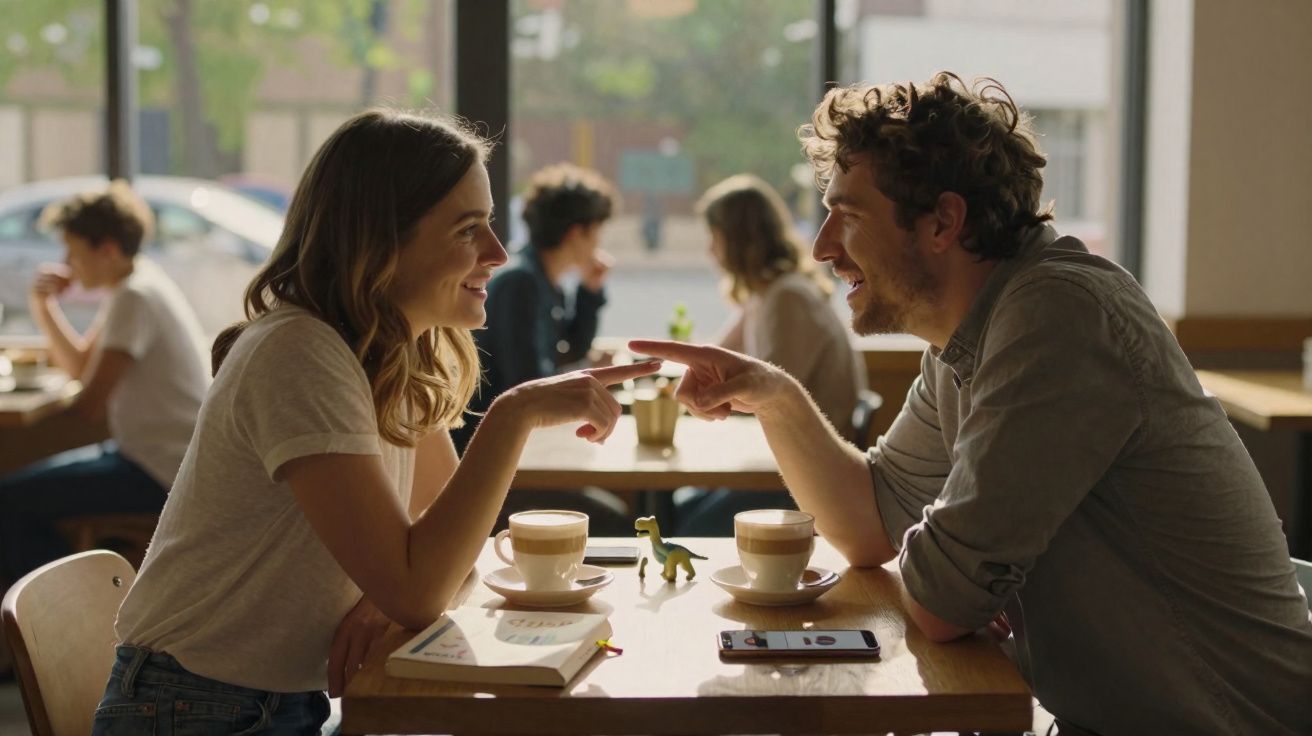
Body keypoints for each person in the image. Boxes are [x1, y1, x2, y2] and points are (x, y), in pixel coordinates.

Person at [632, 73, 1312, 734]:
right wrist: (773, 395)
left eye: (848, 214)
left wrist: (945, 579)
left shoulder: (1058, 316)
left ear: (942, 222)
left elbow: (940, 600)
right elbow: (873, 521)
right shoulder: (967, 338)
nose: (822, 248)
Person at [91, 109, 658, 732]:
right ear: (381, 240)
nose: (497, 254)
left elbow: (447, 555)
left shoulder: (386, 354)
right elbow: (421, 587)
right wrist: (512, 415)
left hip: (274, 702)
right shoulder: (299, 351)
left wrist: (380, 600)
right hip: (194, 708)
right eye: (468, 230)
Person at [0, 181, 208, 590]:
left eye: (74, 253)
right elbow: (81, 367)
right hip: (150, 456)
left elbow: (90, 406)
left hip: (160, 469)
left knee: (8, 502)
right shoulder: (134, 285)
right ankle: (74, 602)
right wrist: (45, 308)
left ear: (107, 250)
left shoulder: (135, 297)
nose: (67, 263)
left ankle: (79, 609)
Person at [674, 174, 865, 536]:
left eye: (714, 237)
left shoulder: (787, 298)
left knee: (685, 528)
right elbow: (713, 357)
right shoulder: (765, 296)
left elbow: (769, 396)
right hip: (783, 463)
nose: (710, 251)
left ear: (736, 239)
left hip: (809, 476)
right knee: (681, 507)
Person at [453, 163, 630, 534]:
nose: (599, 243)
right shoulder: (521, 283)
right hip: (486, 465)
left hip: (516, 456)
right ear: (577, 232)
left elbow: (566, 349)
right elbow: (530, 382)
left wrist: (590, 291)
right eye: (597, 231)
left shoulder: (539, 281)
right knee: (616, 517)